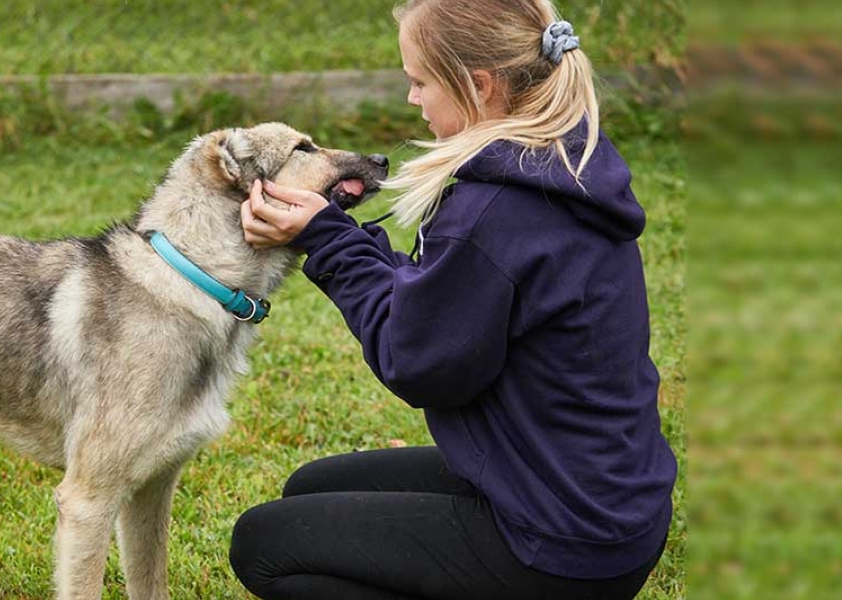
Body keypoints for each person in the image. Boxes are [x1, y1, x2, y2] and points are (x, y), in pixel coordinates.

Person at [227, 1, 678, 599]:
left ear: (478, 86)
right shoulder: (562, 165)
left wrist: (327, 242)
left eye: (419, 81)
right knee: (310, 488)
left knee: (264, 546)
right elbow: (443, 298)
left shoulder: (493, 211)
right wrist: (331, 230)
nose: (412, 98)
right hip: (596, 510)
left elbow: (417, 361)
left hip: (558, 547)